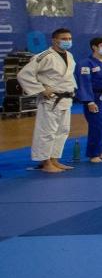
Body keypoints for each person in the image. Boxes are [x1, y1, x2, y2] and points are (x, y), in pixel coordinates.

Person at [18, 29, 78, 172]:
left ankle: (54, 159)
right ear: (54, 40)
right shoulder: (44, 56)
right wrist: (41, 89)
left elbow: (68, 77)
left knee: (62, 131)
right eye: (64, 38)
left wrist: (73, 89)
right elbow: (23, 74)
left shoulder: (69, 55)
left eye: (69, 38)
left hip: (65, 99)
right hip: (50, 100)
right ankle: (45, 163)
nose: (67, 41)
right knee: (47, 132)